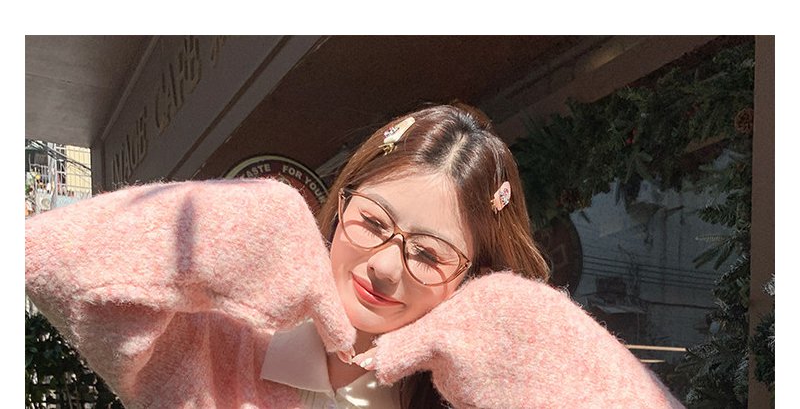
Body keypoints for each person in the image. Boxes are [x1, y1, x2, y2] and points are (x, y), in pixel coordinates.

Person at [25, 101, 684, 409]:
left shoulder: (469, 400)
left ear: (473, 280)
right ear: (340, 205)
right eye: (372, 221)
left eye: (429, 254)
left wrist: (529, 332)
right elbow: (48, 256)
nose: (386, 266)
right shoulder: (218, 344)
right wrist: (228, 230)